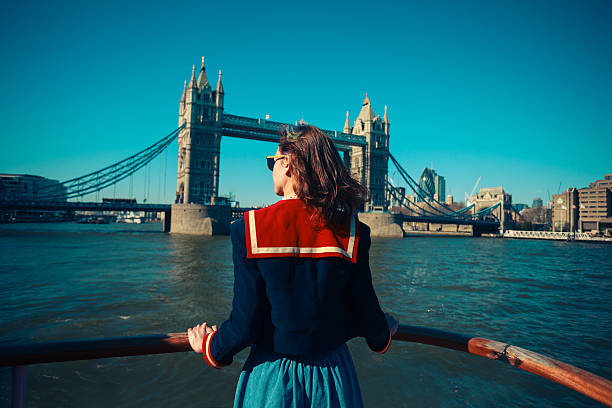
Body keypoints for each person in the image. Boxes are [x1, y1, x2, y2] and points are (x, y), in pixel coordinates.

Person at [188, 124, 398, 407]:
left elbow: (244, 325)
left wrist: (210, 346)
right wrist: (383, 334)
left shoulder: (248, 229)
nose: (270, 167)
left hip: (273, 377)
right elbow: (368, 314)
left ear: (287, 163)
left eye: (271, 162)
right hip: (333, 377)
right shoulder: (354, 232)